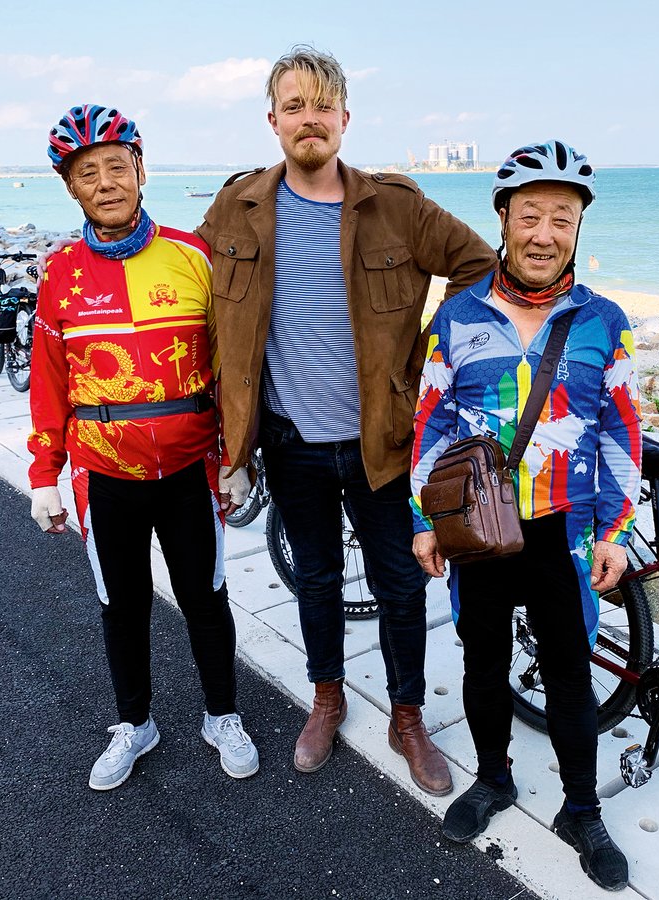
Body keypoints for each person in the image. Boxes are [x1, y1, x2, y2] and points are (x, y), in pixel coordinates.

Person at [197, 46, 496, 796]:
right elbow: (201, 305)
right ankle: (325, 700)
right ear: (273, 121)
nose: (309, 120)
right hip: (289, 439)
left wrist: (425, 362)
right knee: (319, 579)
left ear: (344, 120)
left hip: (384, 443)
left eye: (322, 107)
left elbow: (480, 267)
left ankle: (407, 716)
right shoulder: (234, 208)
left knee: (400, 585)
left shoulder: (393, 204)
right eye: (294, 107)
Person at [409, 141, 642, 891]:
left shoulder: (603, 321)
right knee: (484, 663)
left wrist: (615, 533)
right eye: (531, 215)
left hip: (566, 530)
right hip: (477, 527)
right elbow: (431, 423)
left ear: (579, 230)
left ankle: (581, 808)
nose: (545, 234)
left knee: (571, 676)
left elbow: (622, 430)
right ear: (504, 219)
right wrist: (423, 517)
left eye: (563, 220)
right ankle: (494, 779)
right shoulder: (458, 315)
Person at [27, 104, 258, 791]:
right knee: (119, 604)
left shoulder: (193, 256)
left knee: (205, 596)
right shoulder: (60, 273)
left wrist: (240, 457)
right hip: (104, 475)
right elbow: (48, 385)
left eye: (117, 167)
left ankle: (222, 715)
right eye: (87, 173)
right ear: (72, 189)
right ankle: (136, 723)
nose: (105, 182)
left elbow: (232, 370)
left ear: (141, 171)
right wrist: (45, 475)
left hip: (192, 470)